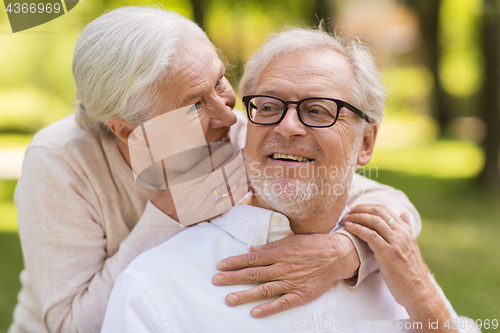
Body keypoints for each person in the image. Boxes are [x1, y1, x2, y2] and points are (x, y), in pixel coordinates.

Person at [9, 7, 422, 333]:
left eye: (220, 81)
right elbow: (72, 326)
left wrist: (349, 249)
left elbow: (387, 200)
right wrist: (168, 215)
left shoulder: (233, 128)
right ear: (129, 129)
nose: (226, 114)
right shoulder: (61, 162)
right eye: (193, 105)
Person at [101, 27, 462, 332]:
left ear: (365, 143)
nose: (287, 126)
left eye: (318, 110)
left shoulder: (399, 267)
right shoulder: (154, 287)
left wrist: (425, 299)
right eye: (269, 107)